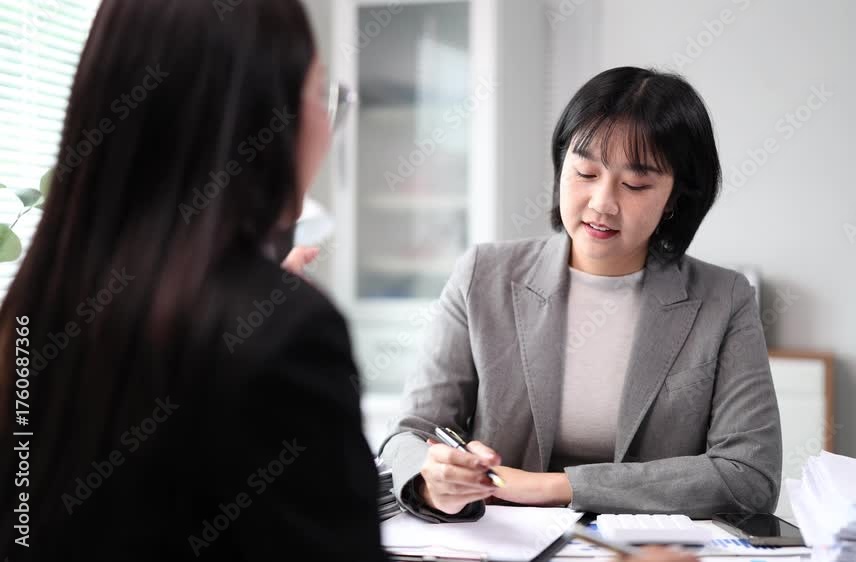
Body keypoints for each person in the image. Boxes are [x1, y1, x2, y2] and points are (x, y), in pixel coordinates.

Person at [0, 0, 384, 559]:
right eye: (320, 93)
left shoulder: (28, 312)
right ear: (264, 119)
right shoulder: (289, 335)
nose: (327, 127)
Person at [380, 66, 782, 522]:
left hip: (648, 550)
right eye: (585, 172)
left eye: (635, 185)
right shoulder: (483, 276)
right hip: (501, 543)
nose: (602, 203)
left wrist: (555, 487)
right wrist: (433, 483)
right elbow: (409, 435)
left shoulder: (724, 299)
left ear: (674, 197)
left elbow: (750, 477)